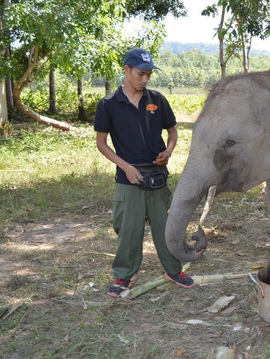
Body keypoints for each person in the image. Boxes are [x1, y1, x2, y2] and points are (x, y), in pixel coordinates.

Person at [94, 47, 194, 297]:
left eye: (149, 74)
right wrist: (125, 166)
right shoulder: (108, 104)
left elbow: (172, 132)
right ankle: (123, 276)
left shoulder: (157, 100)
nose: (145, 79)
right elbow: (101, 143)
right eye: (140, 73)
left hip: (157, 175)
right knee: (129, 229)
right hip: (129, 178)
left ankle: (174, 270)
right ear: (127, 70)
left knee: (165, 227)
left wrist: (169, 152)